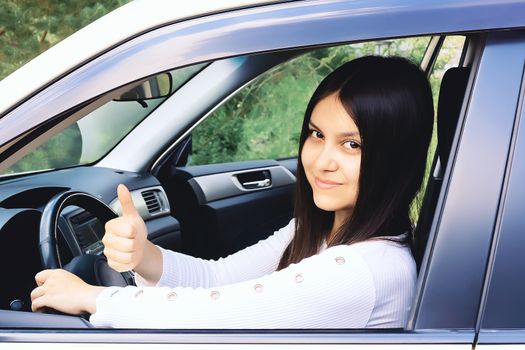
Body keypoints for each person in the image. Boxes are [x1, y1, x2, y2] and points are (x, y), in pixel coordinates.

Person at [30, 55, 434, 329]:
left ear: (395, 158)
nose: (322, 160)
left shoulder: (365, 271)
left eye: (352, 145)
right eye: (316, 134)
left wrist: (94, 298)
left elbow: (215, 315)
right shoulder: (324, 232)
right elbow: (218, 279)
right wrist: (144, 256)